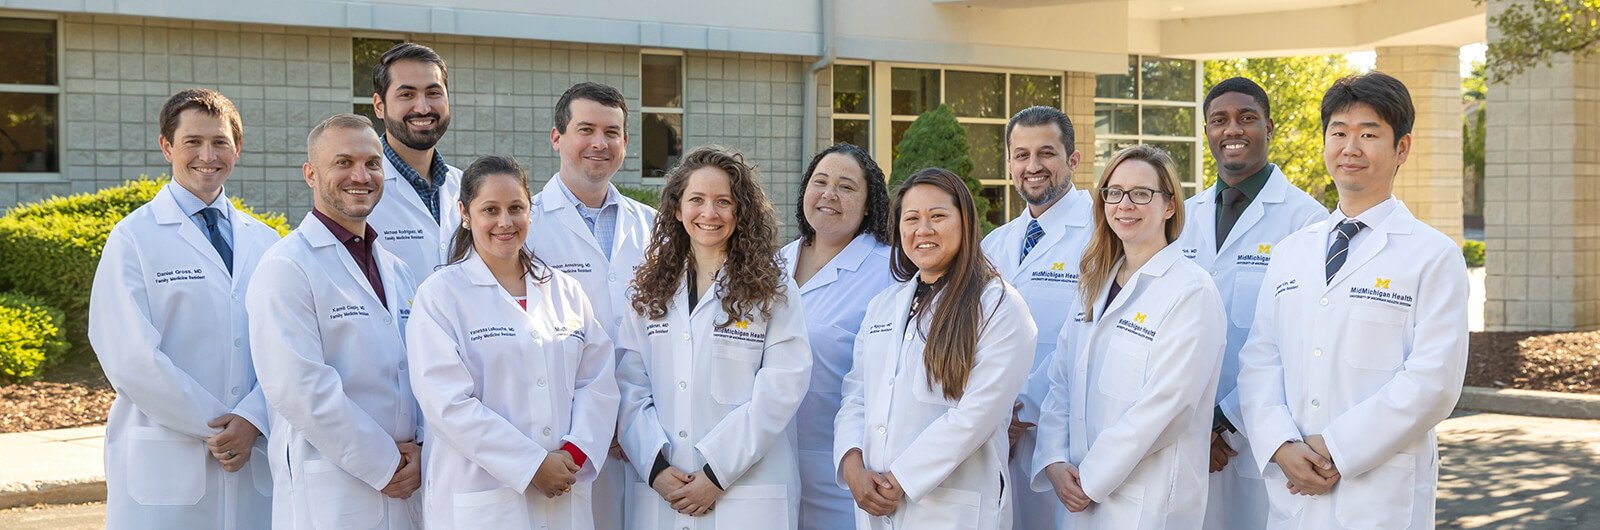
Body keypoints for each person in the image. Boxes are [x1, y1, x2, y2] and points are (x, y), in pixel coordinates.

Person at [1237, 72, 1468, 530]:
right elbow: (1260, 358)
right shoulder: (1291, 252)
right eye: (1338, 132)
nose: (1350, 147)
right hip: (1293, 487)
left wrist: (1336, 448)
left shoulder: (1433, 255)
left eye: (1369, 134)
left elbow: (1433, 381)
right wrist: (1281, 445)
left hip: (1379, 492)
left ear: (1402, 148)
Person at [89, 88, 279, 529]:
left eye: (219, 142)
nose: (207, 155)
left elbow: (289, 347)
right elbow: (129, 355)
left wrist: (252, 419)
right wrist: (218, 428)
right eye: (192, 142)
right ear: (166, 146)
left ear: (238, 148)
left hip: (255, 455)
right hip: (168, 457)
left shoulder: (267, 241)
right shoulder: (134, 238)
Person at [406, 155, 621, 529]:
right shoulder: (441, 295)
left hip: (564, 489)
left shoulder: (565, 290)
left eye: (516, 208)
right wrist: (532, 464)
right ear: (465, 213)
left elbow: (596, 382)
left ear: (530, 211)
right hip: (484, 494)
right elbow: (447, 403)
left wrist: (573, 453)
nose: (505, 222)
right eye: (490, 209)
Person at [1031, 144, 1227, 530]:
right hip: (1075, 492)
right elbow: (1060, 381)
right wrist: (1054, 460)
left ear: (1169, 205)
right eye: (1114, 192)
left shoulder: (1191, 291)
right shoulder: (1094, 282)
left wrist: (1092, 478)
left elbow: (1166, 406)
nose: (1125, 205)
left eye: (1141, 194)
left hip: (1146, 502)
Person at [615, 145, 812, 529]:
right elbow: (629, 386)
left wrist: (717, 472)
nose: (709, 213)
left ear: (741, 211)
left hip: (745, 490)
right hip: (663, 489)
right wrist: (655, 468)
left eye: (724, 201)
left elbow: (780, 389)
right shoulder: (649, 288)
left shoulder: (774, 287)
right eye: (697, 200)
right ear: (677, 209)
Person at [248, 113, 423, 530]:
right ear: (311, 173)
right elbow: (300, 388)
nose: (360, 175)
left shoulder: (396, 269)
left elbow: (415, 369)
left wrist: (421, 447)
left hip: (407, 480)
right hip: (335, 490)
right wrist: (385, 464)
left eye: (372, 163)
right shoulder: (287, 267)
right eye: (343, 162)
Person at [835, 167, 1035, 530]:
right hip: (874, 500)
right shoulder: (885, 303)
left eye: (937, 216)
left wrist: (900, 479)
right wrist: (851, 464)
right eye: (911, 218)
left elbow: (975, 416)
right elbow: (856, 392)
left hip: (952, 506)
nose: (922, 230)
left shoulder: (999, 306)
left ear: (966, 222)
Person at [1173, 77, 1327, 530]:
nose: (1231, 129)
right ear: (1206, 132)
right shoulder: (1180, 217)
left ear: (1269, 127)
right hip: (1183, 432)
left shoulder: (1307, 222)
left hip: (1262, 437)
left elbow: (1298, 343)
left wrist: (1223, 421)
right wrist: (1194, 423)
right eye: (1219, 120)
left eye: (1247, 118)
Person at [526, 81, 658, 529]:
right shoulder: (525, 227)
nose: (600, 144)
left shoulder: (656, 227)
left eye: (613, 132)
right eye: (586, 129)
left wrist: (633, 419)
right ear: (557, 138)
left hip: (649, 427)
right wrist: (599, 422)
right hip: (566, 432)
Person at [979, 105, 1094, 530]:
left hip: (1063, 436)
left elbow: (1089, 338)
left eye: (1046, 153)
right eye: (1021, 155)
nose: (1033, 166)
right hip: (995, 432)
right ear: (1009, 164)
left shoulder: (1103, 235)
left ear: (1073, 160)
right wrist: (994, 410)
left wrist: (1019, 408)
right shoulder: (995, 243)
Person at [777, 143, 896, 530]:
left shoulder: (889, 271)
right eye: (820, 182)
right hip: (765, 462)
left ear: (868, 204)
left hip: (845, 470)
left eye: (846, 187)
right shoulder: (773, 263)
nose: (829, 195)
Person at [365, 42, 464, 280]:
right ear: (379, 106)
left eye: (433, 93)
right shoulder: (359, 189)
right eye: (407, 94)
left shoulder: (465, 185)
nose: (422, 107)